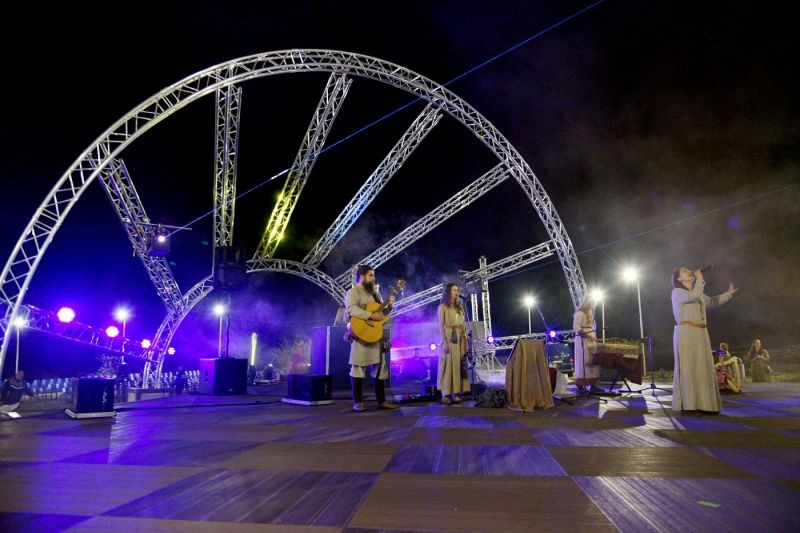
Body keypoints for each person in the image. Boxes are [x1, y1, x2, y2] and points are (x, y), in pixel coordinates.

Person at [671, 267, 738, 414]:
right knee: (689, 368)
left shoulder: (697, 292)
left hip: (701, 333)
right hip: (686, 332)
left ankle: (705, 405)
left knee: (703, 368)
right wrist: (700, 279)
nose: (689, 271)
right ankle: (689, 405)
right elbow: (693, 296)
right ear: (679, 279)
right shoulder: (677, 292)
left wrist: (729, 294)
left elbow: (712, 302)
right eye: (684, 271)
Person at [345, 264, 398, 411]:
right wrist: (370, 315)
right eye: (370, 275)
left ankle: (382, 401)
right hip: (360, 334)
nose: (374, 278)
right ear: (361, 277)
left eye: (374, 275)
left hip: (375, 335)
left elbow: (381, 315)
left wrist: (389, 306)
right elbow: (351, 309)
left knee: (380, 367)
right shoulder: (353, 292)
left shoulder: (376, 294)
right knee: (358, 366)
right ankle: (358, 402)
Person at [437, 283, 470, 404]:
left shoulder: (460, 307)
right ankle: (445, 395)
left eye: (457, 290)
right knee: (448, 365)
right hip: (449, 336)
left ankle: (456, 393)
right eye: (454, 290)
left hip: (460, 337)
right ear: (448, 292)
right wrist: (444, 341)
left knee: (457, 365)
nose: (457, 292)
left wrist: (465, 341)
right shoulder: (443, 307)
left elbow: (464, 325)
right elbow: (441, 325)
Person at [573, 297, 602, 394]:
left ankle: (593, 385)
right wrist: (587, 336)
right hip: (582, 340)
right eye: (592, 303)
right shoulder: (579, 313)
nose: (593, 306)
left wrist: (594, 338)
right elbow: (576, 327)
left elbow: (593, 328)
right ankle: (581, 386)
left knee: (593, 360)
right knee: (583, 360)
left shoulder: (591, 314)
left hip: (591, 339)